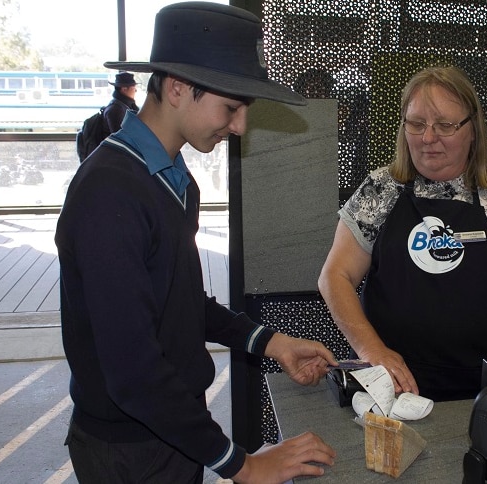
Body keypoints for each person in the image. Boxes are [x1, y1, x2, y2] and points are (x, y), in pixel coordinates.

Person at [55, 3, 337, 483]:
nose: (241, 126)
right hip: (129, 452)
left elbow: (180, 304)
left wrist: (271, 342)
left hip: (171, 429)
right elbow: (133, 374)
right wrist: (242, 464)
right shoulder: (110, 193)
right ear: (178, 87)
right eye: (231, 107)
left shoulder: (170, 179)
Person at [318, 65, 487, 402]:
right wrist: (372, 350)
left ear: (473, 129)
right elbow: (334, 276)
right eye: (416, 124)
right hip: (397, 389)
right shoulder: (381, 190)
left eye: (445, 125)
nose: (428, 138)